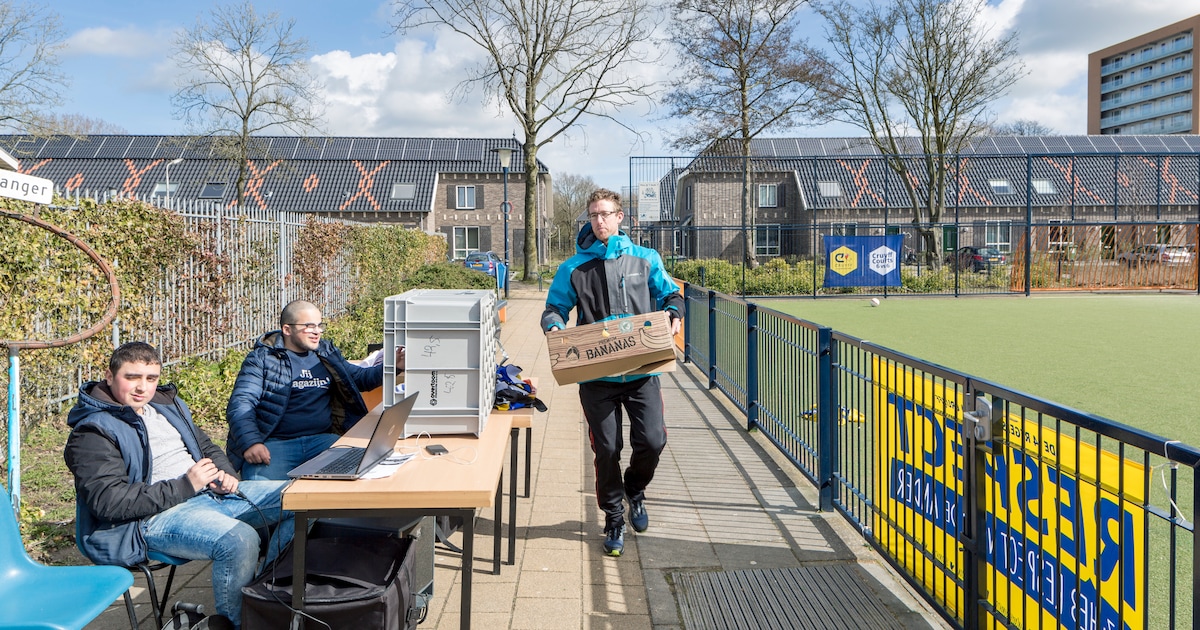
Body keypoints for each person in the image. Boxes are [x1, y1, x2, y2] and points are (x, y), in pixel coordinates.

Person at [64, 341, 294, 629]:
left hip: (210, 494)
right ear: (109, 377)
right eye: (132, 377)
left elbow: (205, 446)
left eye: (151, 378)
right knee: (239, 540)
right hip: (152, 519)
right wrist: (186, 485)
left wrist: (224, 474)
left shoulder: (166, 405)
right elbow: (109, 502)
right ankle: (240, 624)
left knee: (302, 499)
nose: (142, 388)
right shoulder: (93, 431)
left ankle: (261, 595)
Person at [541, 188, 684, 557]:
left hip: (641, 372)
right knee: (606, 449)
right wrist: (554, 327)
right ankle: (614, 517)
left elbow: (671, 295)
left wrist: (674, 314)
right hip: (597, 378)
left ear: (621, 217)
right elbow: (554, 309)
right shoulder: (573, 268)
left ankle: (634, 489)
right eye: (593, 215)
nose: (599, 220)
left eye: (605, 213)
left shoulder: (646, 259)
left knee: (652, 441)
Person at [225, 300, 395, 480]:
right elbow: (241, 404)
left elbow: (359, 379)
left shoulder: (326, 353)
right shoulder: (262, 359)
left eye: (319, 325)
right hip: (276, 444)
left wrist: (394, 366)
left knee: (368, 471)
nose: (317, 331)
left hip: (322, 441)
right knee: (262, 490)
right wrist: (251, 443)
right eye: (309, 326)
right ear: (287, 329)